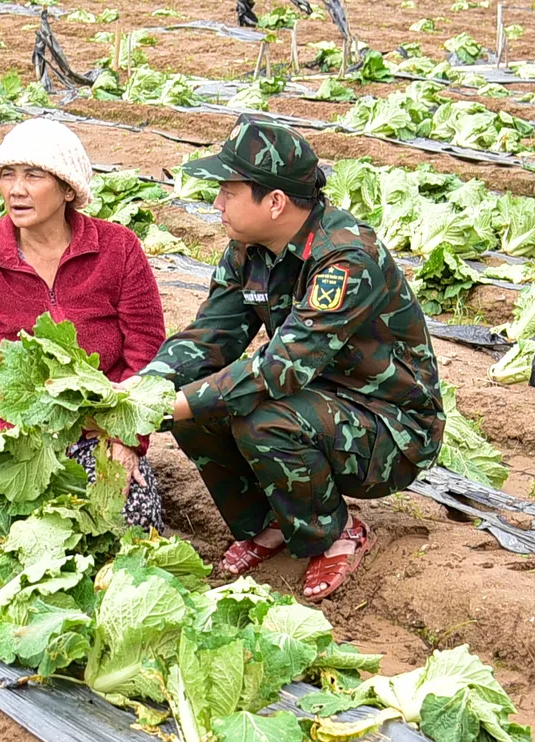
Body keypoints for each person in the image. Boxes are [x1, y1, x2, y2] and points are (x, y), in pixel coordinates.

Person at [134, 115, 444, 601]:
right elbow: (209, 337)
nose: (216, 203)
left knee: (255, 418)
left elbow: (280, 366)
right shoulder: (248, 249)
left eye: (228, 191)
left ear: (274, 202)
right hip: (318, 398)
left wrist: (172, 405)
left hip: (392, 427)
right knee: (195, 408)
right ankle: (270, 523)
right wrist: (143, 392)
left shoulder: (345, 259)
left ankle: (336, 531)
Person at [0, 118, 167, 531]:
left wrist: (126, 440)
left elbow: (147, 352)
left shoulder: (118, 248)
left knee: (132, 526)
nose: (16, 189)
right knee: (34, 537)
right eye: (7, 175)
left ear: (68, 189)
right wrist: (4, 441)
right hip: (21, 440)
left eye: (33, 175)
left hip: (101, 431)